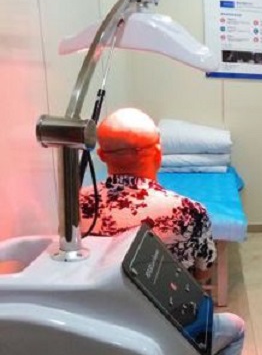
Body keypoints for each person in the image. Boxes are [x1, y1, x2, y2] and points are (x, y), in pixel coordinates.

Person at [79, 108, 244, 355]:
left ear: (101, 155)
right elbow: (202, 275)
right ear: (158, 154)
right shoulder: (188, 211)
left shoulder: (75, 205)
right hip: (164, 332)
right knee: (235, 327)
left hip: (98, 327)